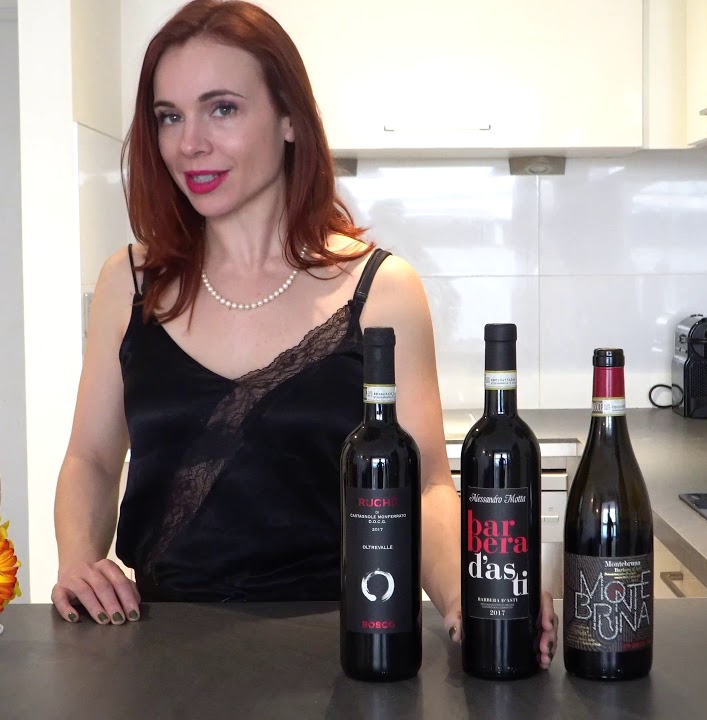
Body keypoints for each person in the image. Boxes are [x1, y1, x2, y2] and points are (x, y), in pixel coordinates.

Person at [49, 0, 555, 667]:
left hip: (343, 652)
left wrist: (468, 595)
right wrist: (79, 562)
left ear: (289, 118)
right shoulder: (130, 282)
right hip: (158, 654)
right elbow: (91, 458)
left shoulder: (382, 289)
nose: (189, 143)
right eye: (169, 116)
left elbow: (428, 483)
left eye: (221, 108)